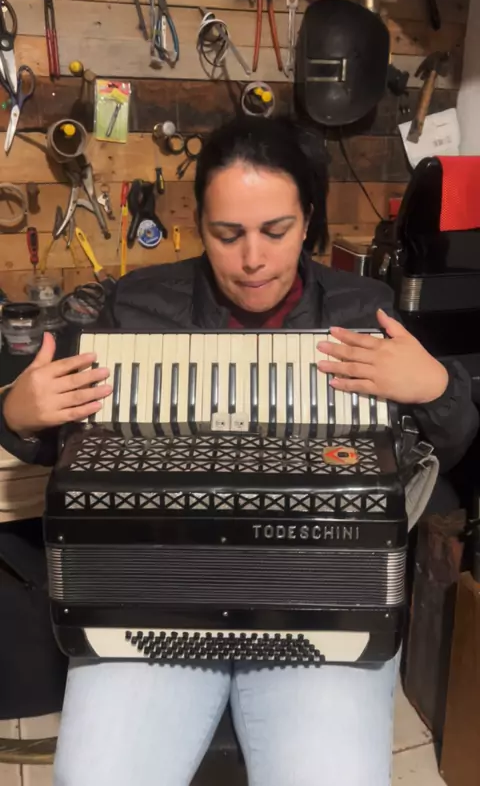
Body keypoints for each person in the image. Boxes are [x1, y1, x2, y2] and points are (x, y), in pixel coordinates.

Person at [0, 116, 477, 786]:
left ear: (308, 221)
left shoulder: (363, 310)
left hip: (319, 601)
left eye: (275, 231)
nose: (253, 259)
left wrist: (435, 387)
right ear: (200, 224)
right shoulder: (136, 307)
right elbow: (73, 443)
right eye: (228, 234)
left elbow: (449, 445)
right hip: (154, 594)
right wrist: (17, 415)